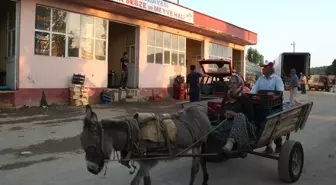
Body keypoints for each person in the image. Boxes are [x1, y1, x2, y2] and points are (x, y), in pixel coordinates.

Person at [215, 74, 256, 154]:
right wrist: (225, 113)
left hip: (245, 126)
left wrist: (235, 114)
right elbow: (221, 109)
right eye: (230, 83)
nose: (231, 85)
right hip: (229, 123)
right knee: (212, 128)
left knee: (239, 116)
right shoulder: (227, 97)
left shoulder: (244, 98)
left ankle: (230, 143)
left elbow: (250, 116)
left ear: (240, 85)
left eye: (234, 83)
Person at [250, 62, 284, 154]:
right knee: (254, 117)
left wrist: (271, 95)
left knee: (270, 123)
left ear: (270, 68)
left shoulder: (277, 79)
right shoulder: (260, 79)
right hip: (262, 106)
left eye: (264, 67)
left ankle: (278, 143)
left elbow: (280, 93)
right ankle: (267, 146)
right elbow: (253, 90)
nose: (262, 69)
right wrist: (250, 95)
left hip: (275, 106)